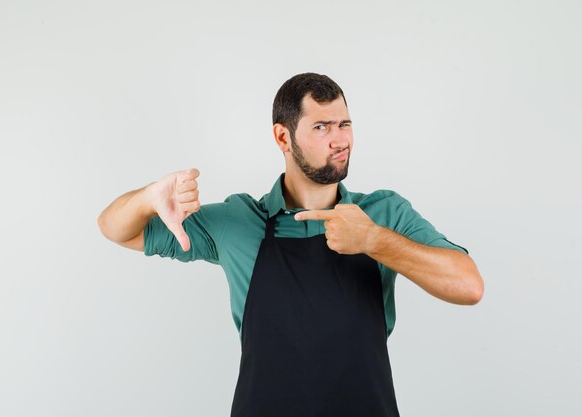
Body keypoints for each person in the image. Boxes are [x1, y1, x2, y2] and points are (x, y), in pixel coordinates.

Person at [97, 72, 484, 416]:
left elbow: (469, 286)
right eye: (321, 127)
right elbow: (115, 228)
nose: (339, 140)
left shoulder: (383, 213)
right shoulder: (239, 221)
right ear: (283, 136)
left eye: (344, 124)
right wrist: (147, 198)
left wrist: (374, 240)